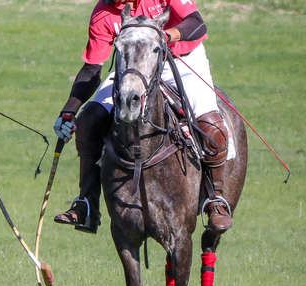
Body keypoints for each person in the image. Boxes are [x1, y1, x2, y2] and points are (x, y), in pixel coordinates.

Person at [52, 0, 232, 234]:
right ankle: (87, 202)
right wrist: (69, 111)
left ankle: (215, 199)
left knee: (210, 126)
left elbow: (197, 24)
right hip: (133, 68)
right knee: (89, 120)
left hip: (182, 59)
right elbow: (92, 68)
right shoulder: (103, 13)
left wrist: (163, 37)